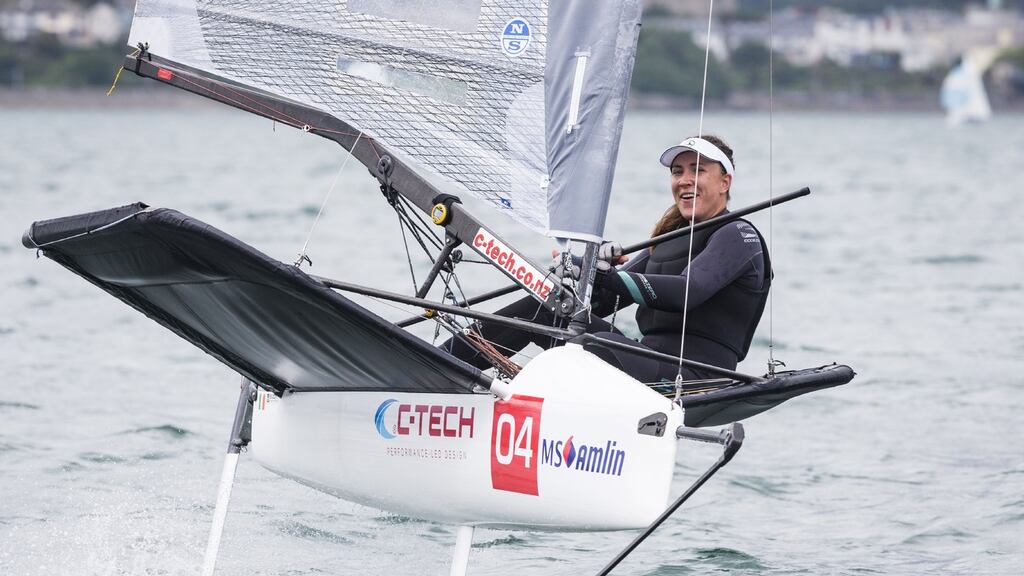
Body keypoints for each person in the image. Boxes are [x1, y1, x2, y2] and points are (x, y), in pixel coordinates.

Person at [443, 135, 770, 383]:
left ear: (725, 182)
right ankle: (443, 365)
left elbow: (687, 292)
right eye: (677, 172)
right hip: (648, 358)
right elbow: (601, 302)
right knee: (547, 307)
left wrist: (608, 276)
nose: (684, 179)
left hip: (697, 376)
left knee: (590, 342)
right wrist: (583, 271)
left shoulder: (738, 235)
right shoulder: (668, 237)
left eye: (698, 170)